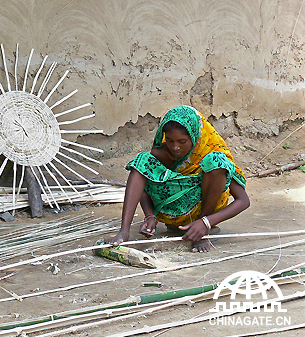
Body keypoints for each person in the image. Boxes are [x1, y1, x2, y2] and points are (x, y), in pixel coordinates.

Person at [106, 105, 250, 252]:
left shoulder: (210, 152)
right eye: (169, 141)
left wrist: (206, 222)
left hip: (204, 214)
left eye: (182, 142)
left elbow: (243, 201)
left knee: (216, 161)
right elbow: (143, 186)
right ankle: (124, 232)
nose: (175, 148)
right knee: (143, 160)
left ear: (194, 136)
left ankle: (201, 234)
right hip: (170, 214)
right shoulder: (160, 154)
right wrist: (150, 216)